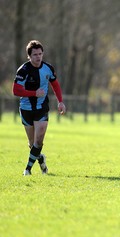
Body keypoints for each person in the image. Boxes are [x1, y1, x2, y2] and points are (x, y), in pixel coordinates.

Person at [12, 40, 66, 176]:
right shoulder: (23, 70)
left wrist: (60, 101)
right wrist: (33, 93)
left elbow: (55, 84)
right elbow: (16, 90)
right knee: (32, 144)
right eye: (35, 54)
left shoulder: (48, 68)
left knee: (39, 139)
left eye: (40, 54)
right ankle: (40, 159)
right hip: (26, 108)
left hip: (42, 107)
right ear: (29, 56)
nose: (38, 57)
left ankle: (27, 169)